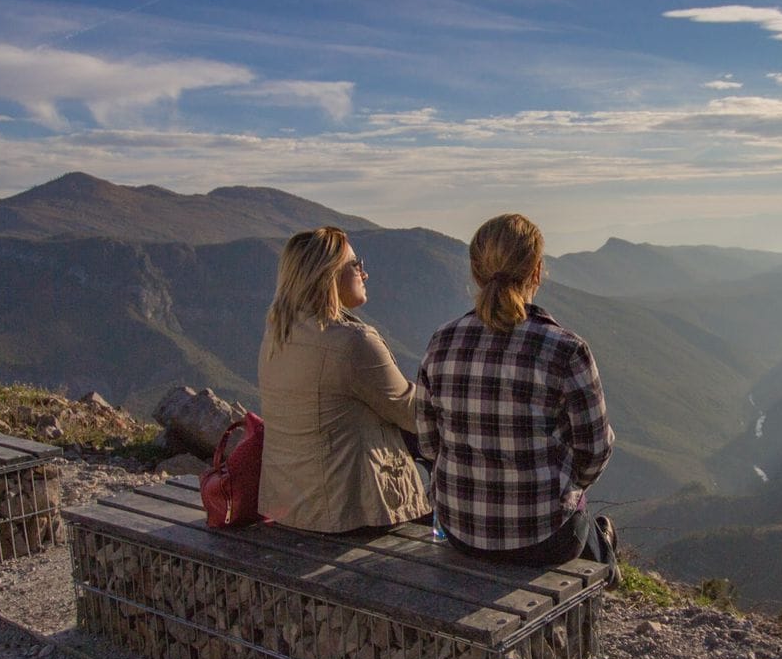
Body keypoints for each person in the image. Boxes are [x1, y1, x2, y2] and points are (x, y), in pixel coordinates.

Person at [414, 213, 617, 567]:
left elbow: (430, 444)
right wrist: (564, 486)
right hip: (543, 538)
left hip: (460, 531)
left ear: (476, 273)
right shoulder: (566, 349)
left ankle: (603, 553)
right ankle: (607, 562)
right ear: (537, 271)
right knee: (580, 518)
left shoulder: (441, 342)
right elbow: (595, 451)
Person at [257, 227, 428, 533]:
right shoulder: (352, 342)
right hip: (347, 512)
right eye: (354, 264)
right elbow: (415, 413)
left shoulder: (278, 333)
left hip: (290, 504)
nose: (364, 273)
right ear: (329, 275)